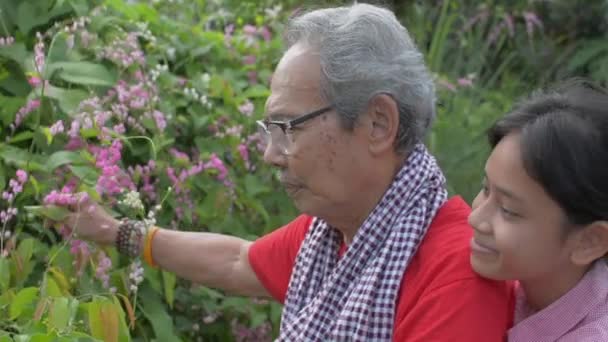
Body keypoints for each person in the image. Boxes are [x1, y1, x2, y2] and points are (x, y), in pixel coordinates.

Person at [63, 4, 512, 341]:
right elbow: (239, 262)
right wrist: (113, 231)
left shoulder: (457, 279)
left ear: (378, 123)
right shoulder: (341, 234)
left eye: (286, 128)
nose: (270, 155)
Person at [468, 79, 608, 341]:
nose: (475, 218)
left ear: (589, 241)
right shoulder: (522, 281)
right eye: (486, 189)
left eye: (508, 210)